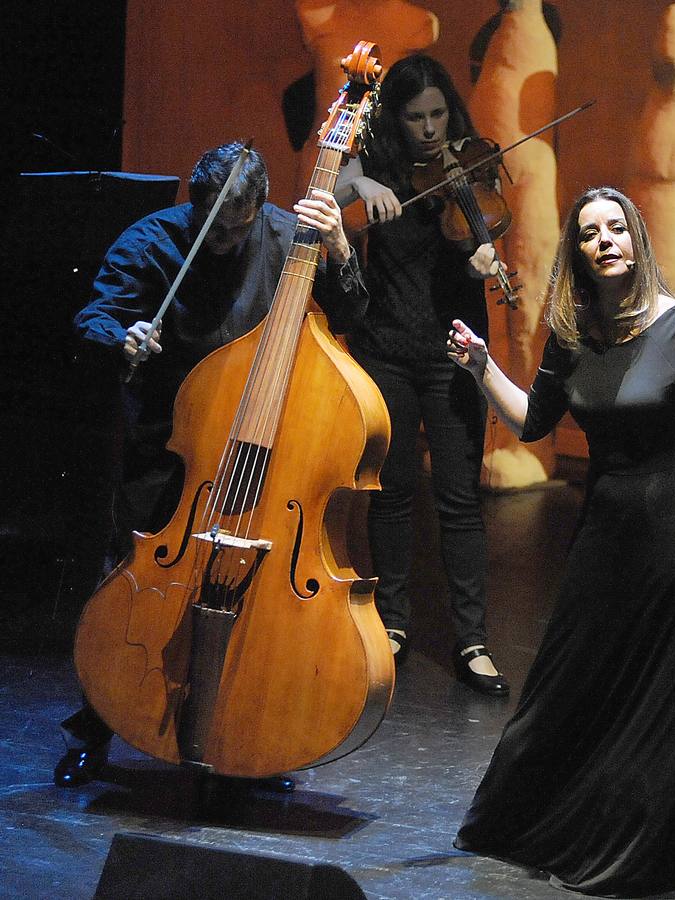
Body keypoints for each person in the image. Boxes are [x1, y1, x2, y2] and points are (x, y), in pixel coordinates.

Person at [447, 186, 675, 895]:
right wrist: (482, 366)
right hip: (605, 537)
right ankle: (544, 820)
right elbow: (533, 422)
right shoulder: (573, 335)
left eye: (617, 227)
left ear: (637, 239)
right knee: (568, 687)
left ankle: (646, 845)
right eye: (590, 232)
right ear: (577, 252)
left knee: (662, 704)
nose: (606, 239)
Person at [57, 141, 365, 788]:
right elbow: (95, 317)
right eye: (211, 225)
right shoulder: (153, 241)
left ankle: (246, 736)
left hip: (259, 454)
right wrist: (125, 337)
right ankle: (100, 724)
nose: (223, 238)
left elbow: (355, 312)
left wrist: (338, 249)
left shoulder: (288, 238)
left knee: (252, 595)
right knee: (134, 587)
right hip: (172, 442)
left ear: (259, 208)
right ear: (193, 205)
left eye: (237, 225)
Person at [333, 53, 508, 694]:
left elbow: (472, 245)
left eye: (438, 114)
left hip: (453, 352)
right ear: (395, 118)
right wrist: (363, 187)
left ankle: (472, 640)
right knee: (395, 490)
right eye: (415, 118)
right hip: (386, 348)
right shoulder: (374, 161)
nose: (431, 130)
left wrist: (481, 261)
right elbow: (326, 189)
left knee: (460, 499)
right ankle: (394, 623)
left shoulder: (471, 160)